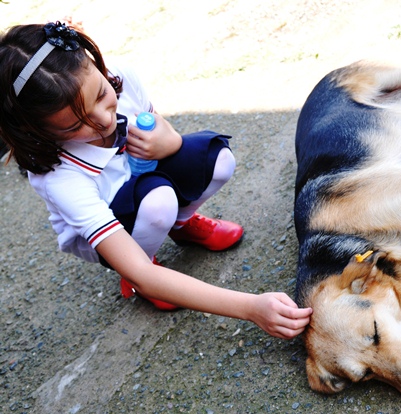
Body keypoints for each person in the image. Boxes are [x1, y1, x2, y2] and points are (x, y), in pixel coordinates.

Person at [0, 22, 312, 340]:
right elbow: (143, 273)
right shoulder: (58, 176)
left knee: (218, 159)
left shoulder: (121, 77)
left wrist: (171, 142)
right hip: (115, 225)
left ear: (93, 61)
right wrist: (249, 307)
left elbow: (158, 127)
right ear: (39, 131)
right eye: (75, 126)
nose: (105, 120)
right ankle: (142, 258)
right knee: (158, 202)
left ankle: (181, 224)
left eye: (101, 94)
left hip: (145, 178)